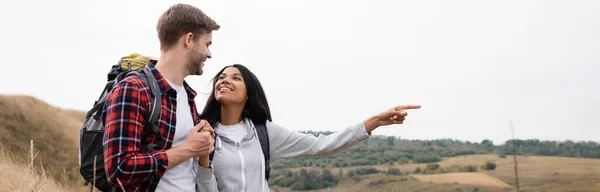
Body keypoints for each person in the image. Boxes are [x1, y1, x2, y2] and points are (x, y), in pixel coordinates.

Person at [195, 64, 421, 192]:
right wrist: (205, 156)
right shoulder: (202, 133)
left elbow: (322, 145)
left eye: (236, 78)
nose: (225, 80)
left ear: (248, 93)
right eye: (221, 77)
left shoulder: (265, 133)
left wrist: (375, 122)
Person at [101, 4, 220, 192]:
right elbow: (119, 170)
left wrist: (202, 145)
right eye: (207, 45)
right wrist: (188, 149)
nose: (209, 54)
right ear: (189, 39)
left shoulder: (187, 96)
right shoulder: (134, 89)